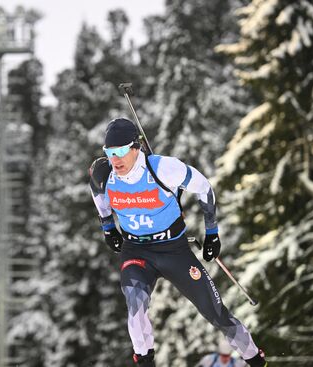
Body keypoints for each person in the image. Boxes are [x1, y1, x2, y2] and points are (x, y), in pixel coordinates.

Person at [89, 118, 268, 367]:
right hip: (137, 251)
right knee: (135, 304)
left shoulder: (163, 169)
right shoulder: (103, 175)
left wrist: (212, 232)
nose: (114, 159)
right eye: (109, 153)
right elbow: (99, 198)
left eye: (119, 152)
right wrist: (108, 228)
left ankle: (255, 359)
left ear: (136, 147)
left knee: (215, 312)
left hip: (174, 250)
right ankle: (145, 360)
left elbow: (204, 187)